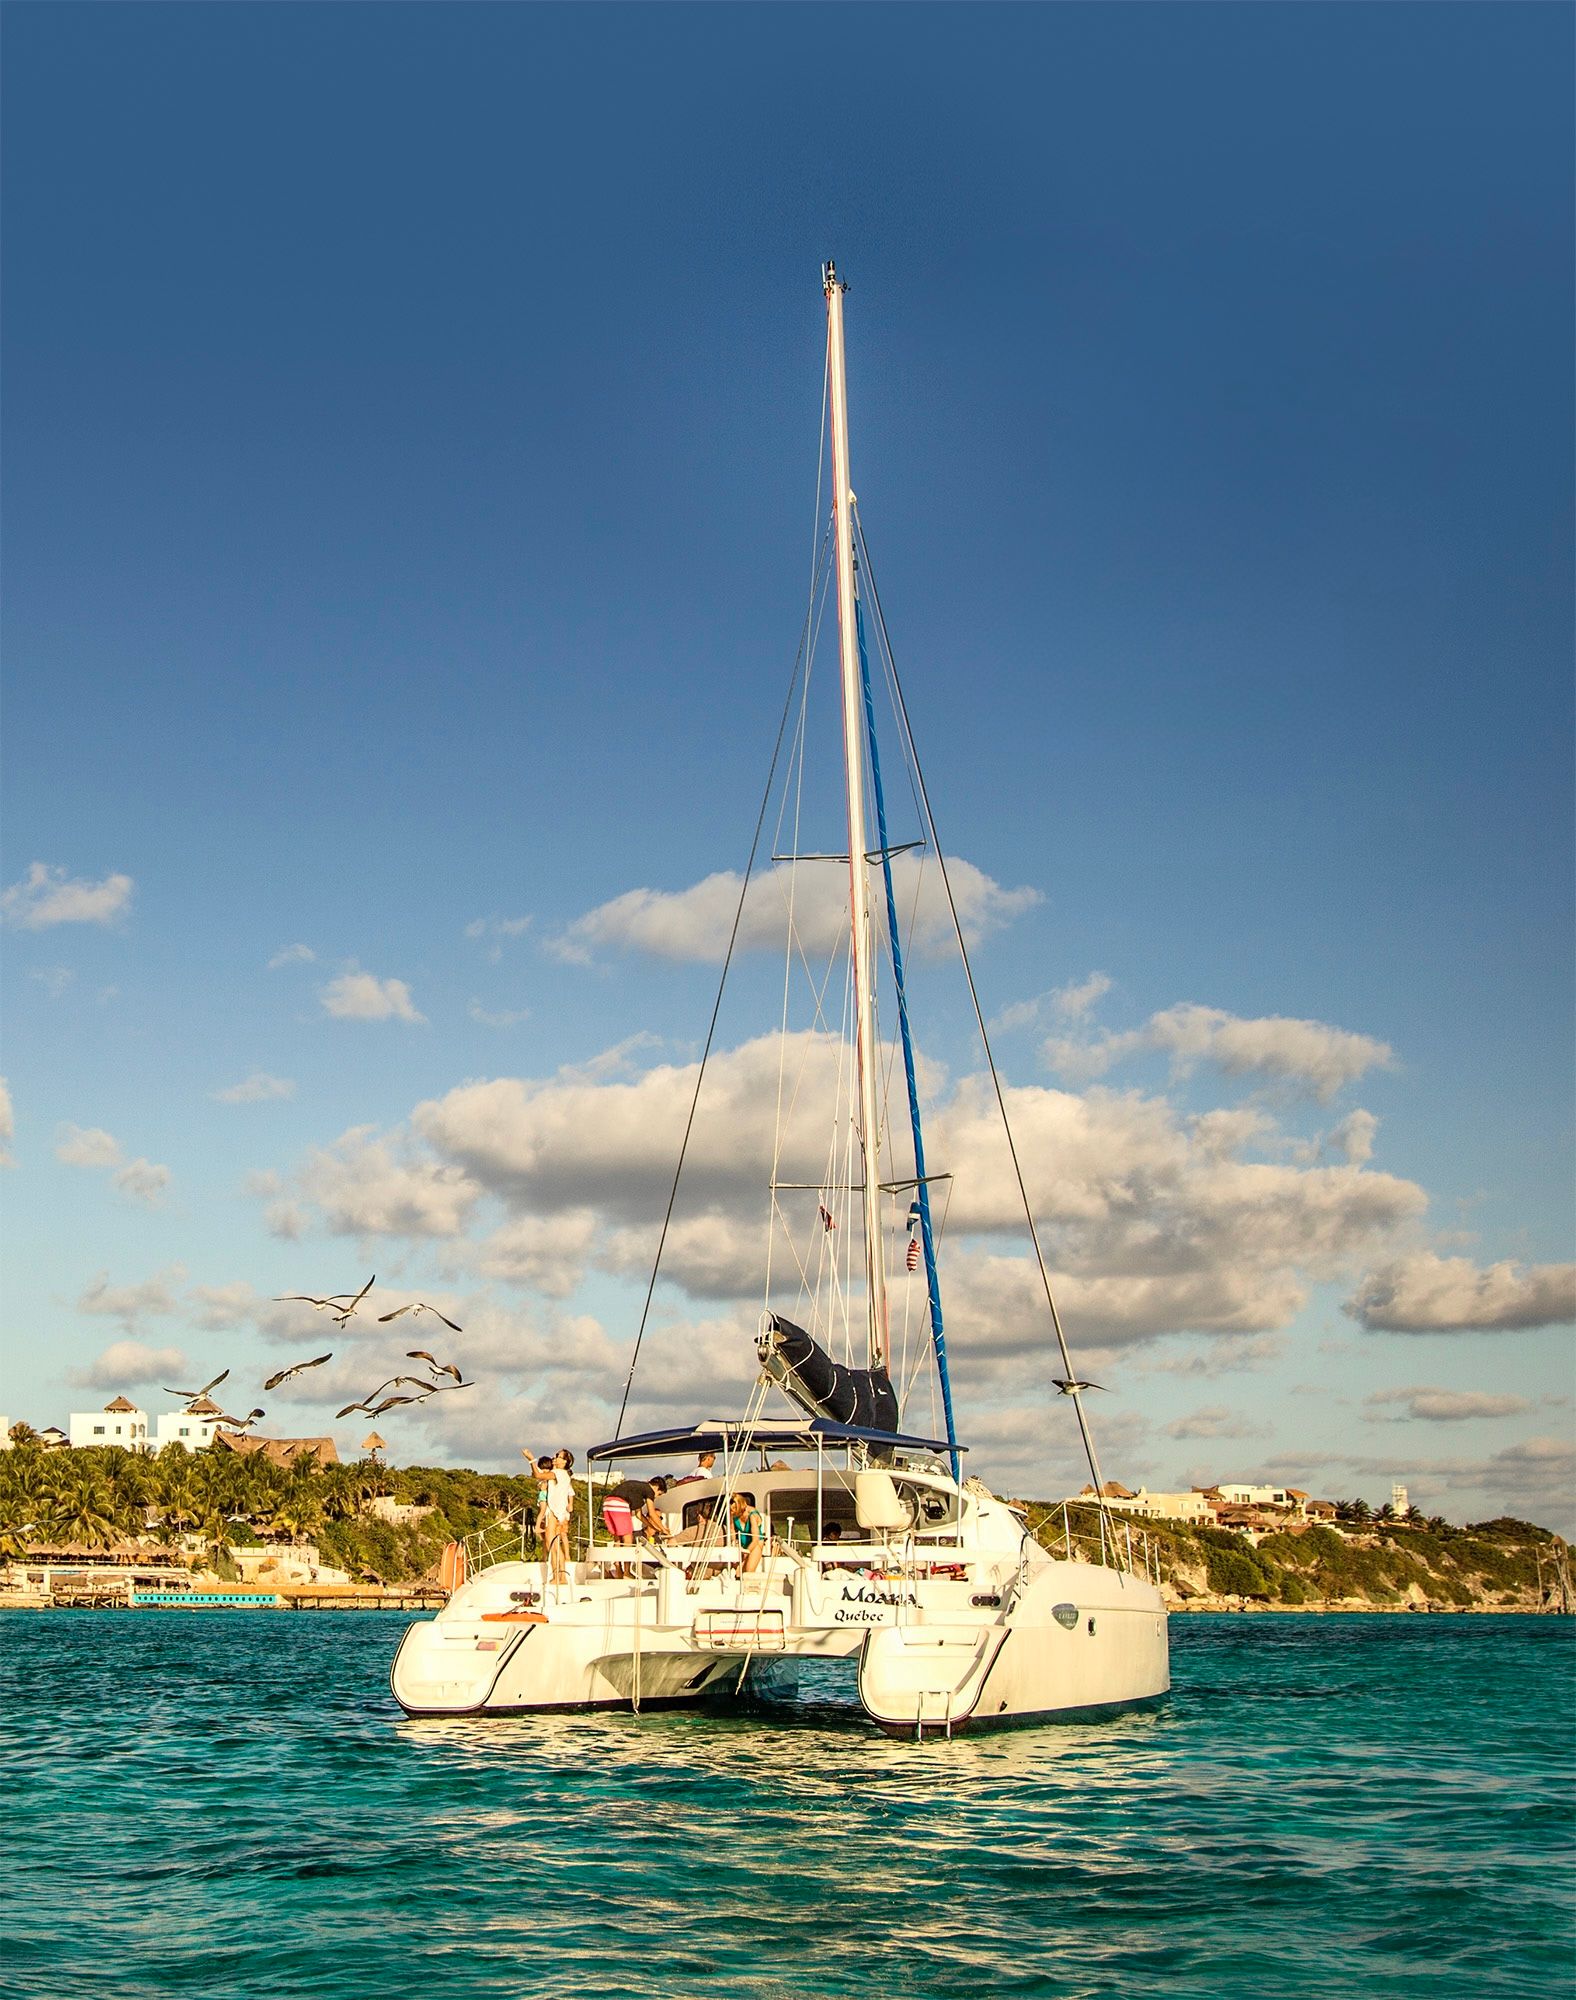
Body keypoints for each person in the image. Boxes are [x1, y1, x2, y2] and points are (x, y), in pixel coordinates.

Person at [542, 1448, 576, 1590]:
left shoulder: (558, 1473)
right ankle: (560, 1576)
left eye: (558, 1456)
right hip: (559, 1512)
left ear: (564, 1461)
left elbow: (537, 1475)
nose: (554, 1457)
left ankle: (559, 1576)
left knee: (553, 1543)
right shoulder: (562, 1475)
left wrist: (530, 1459)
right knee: (556, 1542)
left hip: (555, 1512)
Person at [730, 1489, 767, 1575]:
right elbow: (732, 1529)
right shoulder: (733, 1514)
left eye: (733, 1510)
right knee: (737, 1573)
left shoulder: (752, 1515)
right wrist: (733, 1542)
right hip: (742, 1545)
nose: (732, 1512)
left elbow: (755, 1540)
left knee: (749, 1570)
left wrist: (745, 1553)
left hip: (755, 1544)